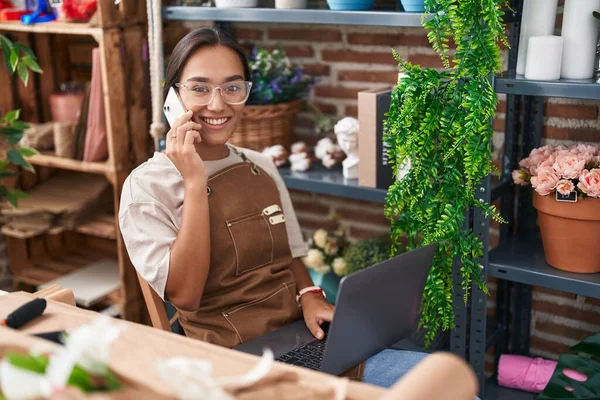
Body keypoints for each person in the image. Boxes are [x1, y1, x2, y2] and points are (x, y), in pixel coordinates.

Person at [118, 27, 432, 388]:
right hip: (232, 361)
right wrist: (194, 180)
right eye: (200, 88)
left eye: (232, 87)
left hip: (302, 336)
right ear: (172, 98)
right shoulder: (146, 187)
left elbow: (290, 255)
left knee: (443, 382)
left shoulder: (260, 164)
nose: (218, 105)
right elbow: (185, 296)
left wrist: (310, 295)